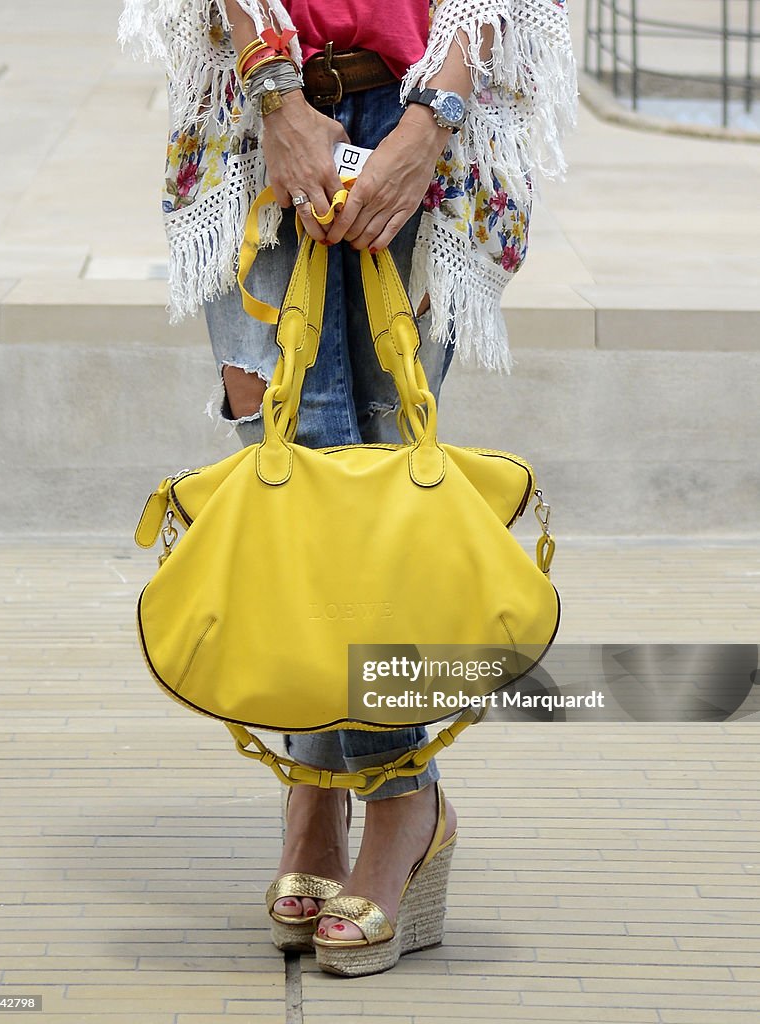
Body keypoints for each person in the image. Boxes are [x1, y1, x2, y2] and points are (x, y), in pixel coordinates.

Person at [120, 0, 576, 977]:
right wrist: (273, 92)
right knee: (296, 477)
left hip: (428, 110)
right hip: (257, 110)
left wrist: (434, 117)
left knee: (377, 508)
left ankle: (386, 797)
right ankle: (346, 793)